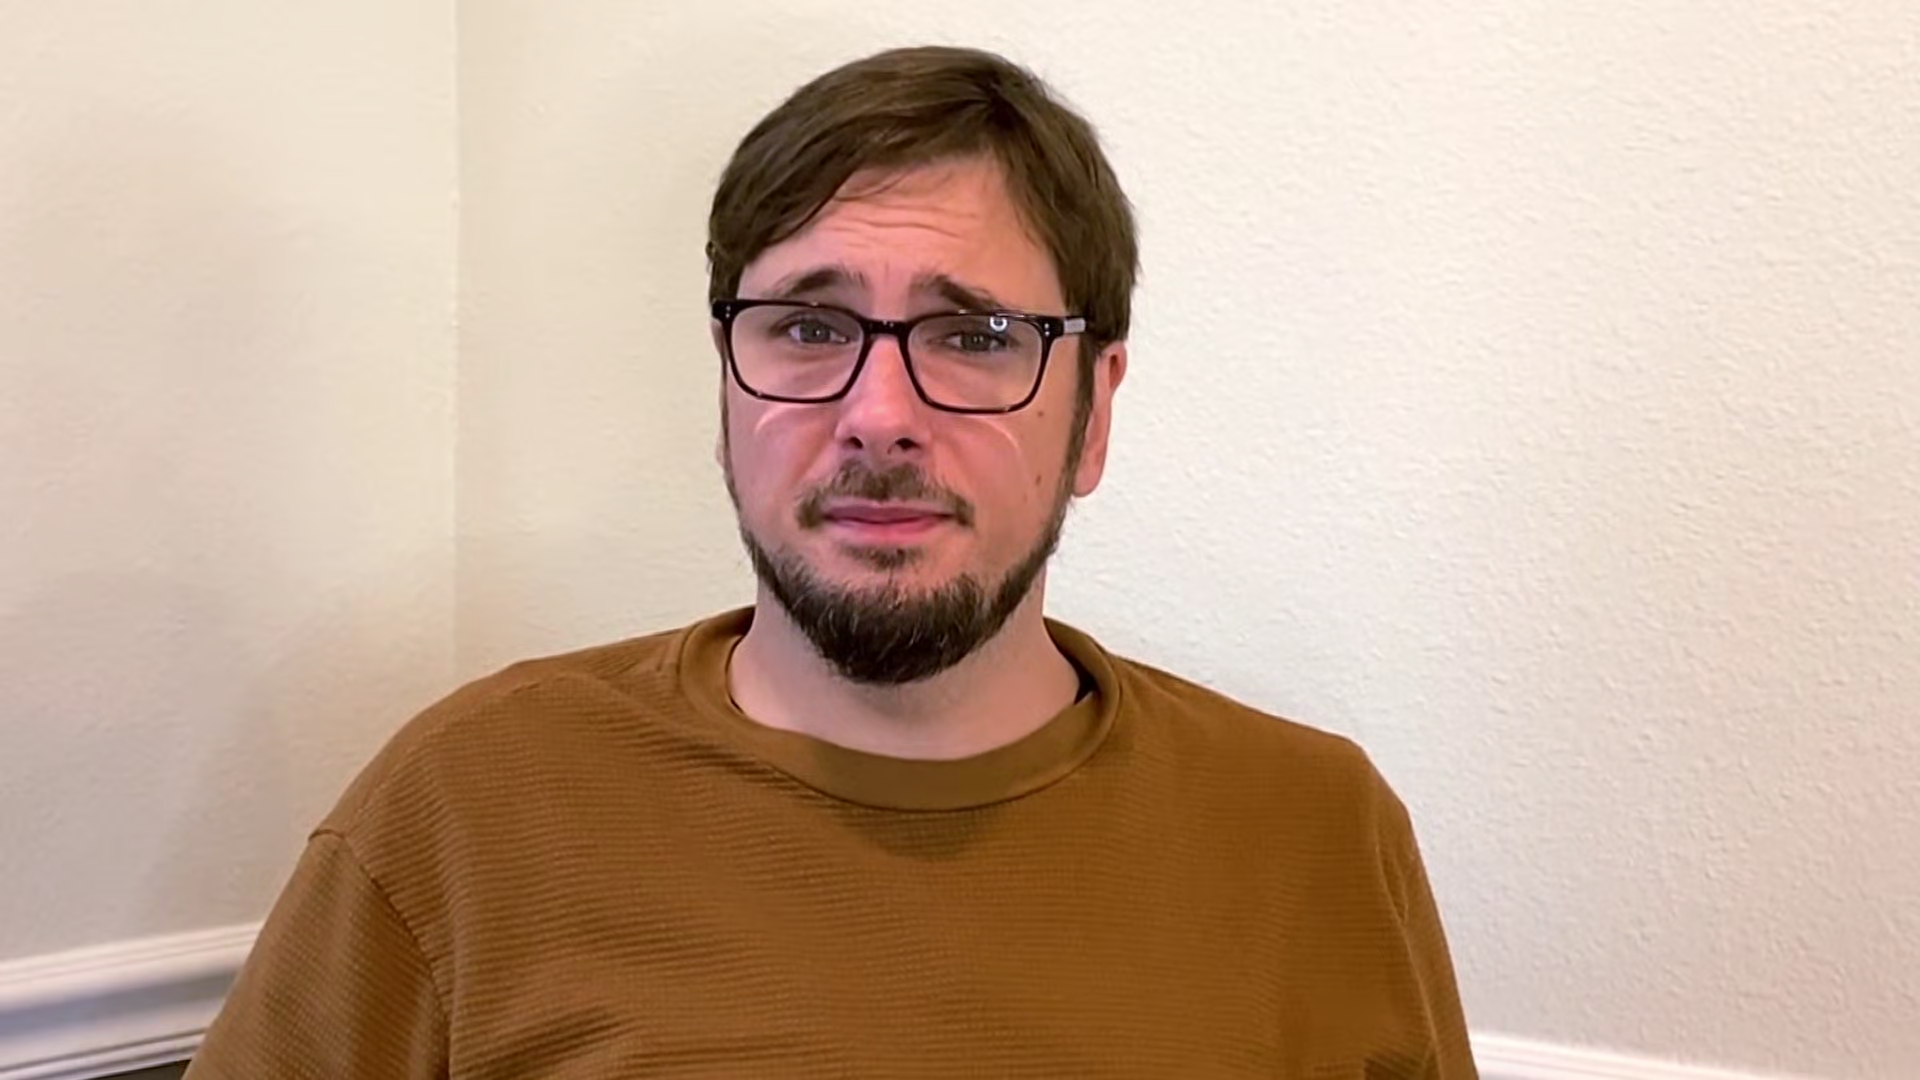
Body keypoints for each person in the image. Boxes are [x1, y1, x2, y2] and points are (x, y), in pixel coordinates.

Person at [187, 45, 1477, 1079]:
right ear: (727, 384)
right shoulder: (465, 808)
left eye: (973, 335)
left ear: (1094, 412)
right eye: (810, 326)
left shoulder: (1318, 835)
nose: (878, 414)